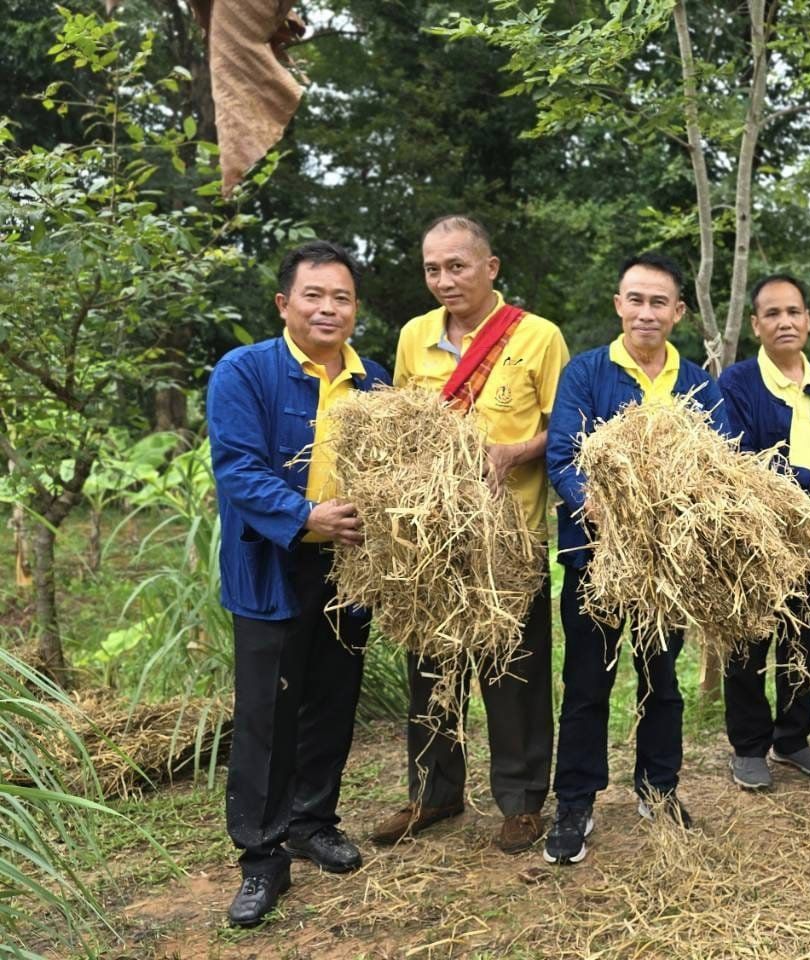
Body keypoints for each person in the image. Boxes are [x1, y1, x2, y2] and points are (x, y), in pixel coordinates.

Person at [369, 215, 568, 855]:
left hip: (509, 535)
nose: (444, 280)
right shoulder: (413, 337)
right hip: (430, 538)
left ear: (491, 267)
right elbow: (402, 424)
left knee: (515, 670)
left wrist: (516, 452)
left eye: (457, 266)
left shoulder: (537, 338)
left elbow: (563, 431)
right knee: (431, 663)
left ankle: (521, 800)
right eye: (433, 268)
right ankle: (433, 793)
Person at [208, 240, 389, 927]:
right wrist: (305, 514)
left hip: (348, 569)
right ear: (285, 303)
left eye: (341, 297)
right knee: (266, 713)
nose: (328, 308)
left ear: (355, 309)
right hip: (271, 564)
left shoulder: (369, 381)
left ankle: (313, 823)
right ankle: (261, 857)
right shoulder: (246, 371)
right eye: (314, 295)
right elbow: (238, 470)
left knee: (331, 699)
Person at [542, 252, 731, 864]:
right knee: (587, 682)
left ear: (677, 311)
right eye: (635, 300)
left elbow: (722, 461)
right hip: (595, 557)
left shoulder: (699, 382)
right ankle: (576, 803)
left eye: (658, 302)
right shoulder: (587, 372)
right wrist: (590, 501)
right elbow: (564, 458)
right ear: (618, 304)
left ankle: (659, 788)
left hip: (667, 565)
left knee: (661, 678)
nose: (645, 313)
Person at [716, 274, 810, 790]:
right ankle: (749, 745)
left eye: (793, 312)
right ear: (756, 324)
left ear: (808, 320)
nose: (785, 322)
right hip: (757, 535)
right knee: (749, 638)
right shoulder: (737, 384)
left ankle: (793, 739)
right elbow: (738, 459)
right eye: (772, 314)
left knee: (803, 638)